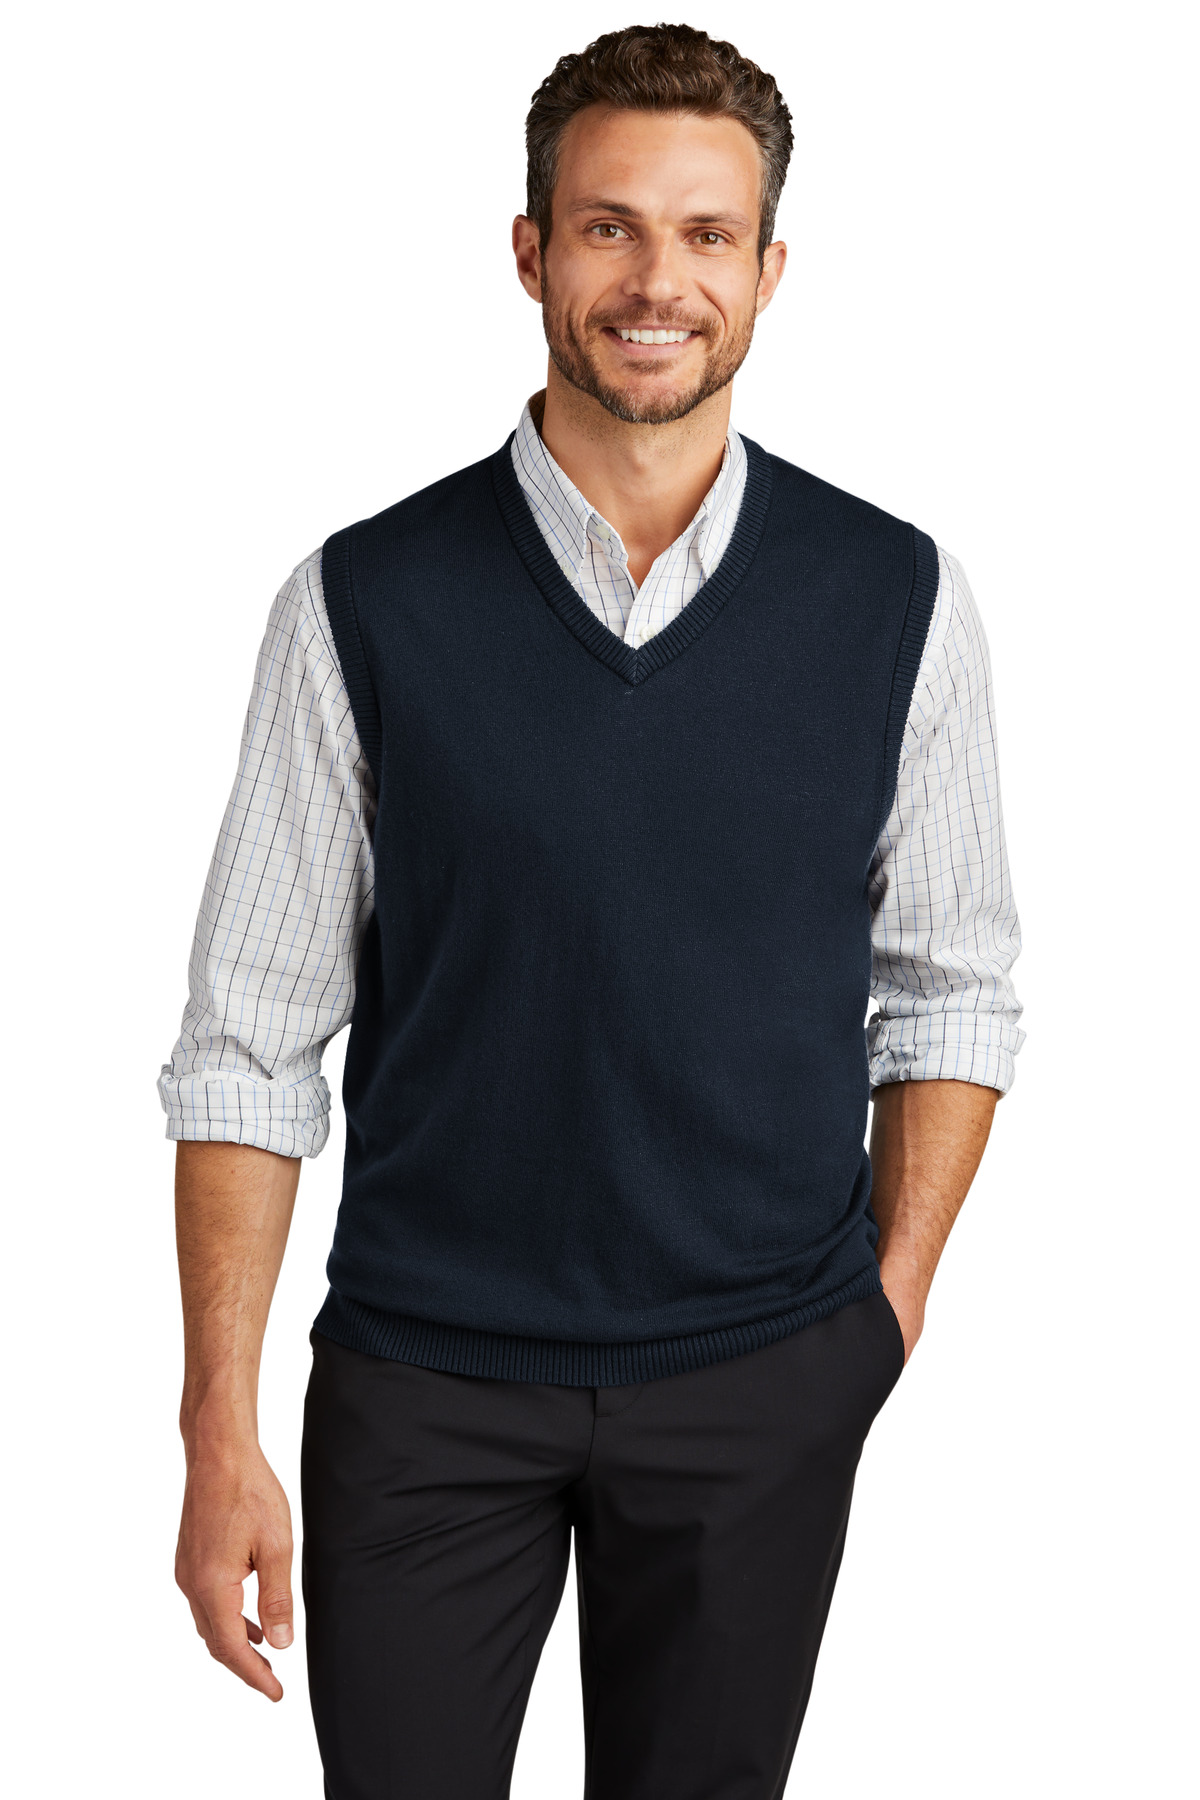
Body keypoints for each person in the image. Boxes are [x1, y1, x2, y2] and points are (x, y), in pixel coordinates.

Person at [162, 22, 1025, 1798]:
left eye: (707, 235)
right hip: (423, 1383)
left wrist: (883, 1316)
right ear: (531, 251)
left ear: (770, 271)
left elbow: (954, 989)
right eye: (610, 227)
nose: (656, 282)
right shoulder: (361, 602)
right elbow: (248, 1045)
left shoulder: (898, 600)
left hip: (762, 1373)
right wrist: (217, 1427)